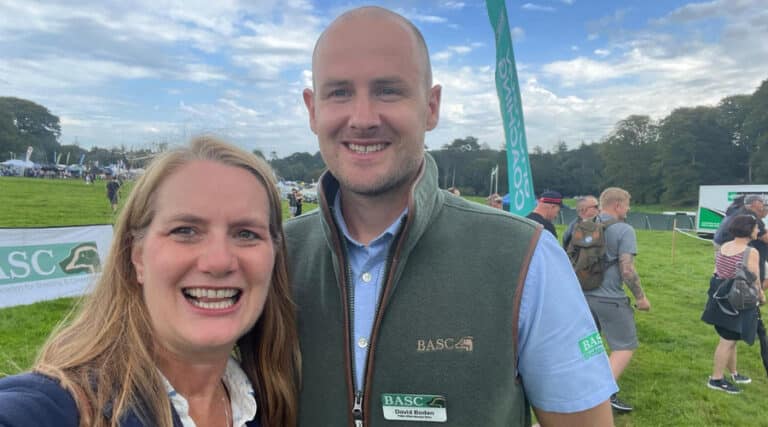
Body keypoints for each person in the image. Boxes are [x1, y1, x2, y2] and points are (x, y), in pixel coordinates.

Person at [286, 6, 615, 426]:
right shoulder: (272, 258)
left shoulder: (524, 256)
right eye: (339, 92)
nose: (364, 118)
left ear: (431, 105)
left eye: (388, 90)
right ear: (313, 110)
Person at [0, 136, 300, 427]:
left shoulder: (269, 402)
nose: (219, 261)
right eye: (185, 230)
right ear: (137, 256)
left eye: (246, 234)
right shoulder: (62, 405)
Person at [582, 187, 650, 413]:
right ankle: (601, 396)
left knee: (590, 344)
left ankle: (582, 385)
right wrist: (641, 297)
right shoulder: (624, 230)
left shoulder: (579, 226)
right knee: (625, 346)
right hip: (610, 298)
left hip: (582, 296)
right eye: (627, 205)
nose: (629, 209)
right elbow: (628, 271)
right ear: (618, 205)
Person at [701, 214, 765, 394]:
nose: (758, 230)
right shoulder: (750, 251)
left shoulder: (724, 246)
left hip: (720, 297)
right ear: (748, 230)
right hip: (738, 300)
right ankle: (716, 379)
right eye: (756, 227)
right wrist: (760, 296)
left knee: (731, 338)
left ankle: (734, 373)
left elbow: (717, 271)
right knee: (727, 341)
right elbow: (754, 279)